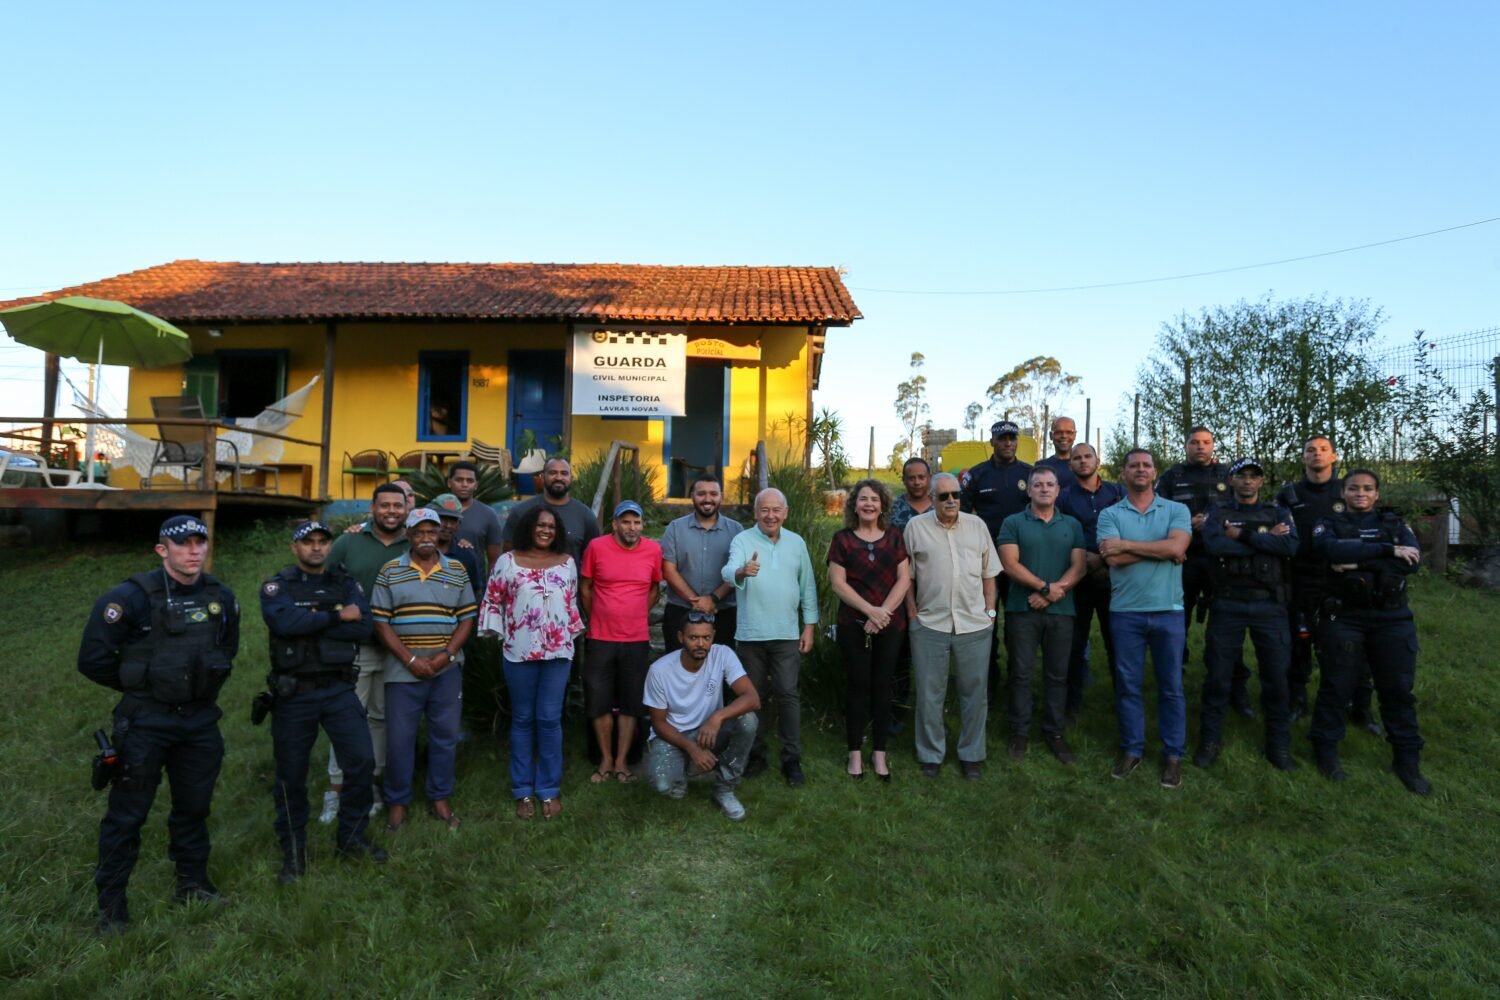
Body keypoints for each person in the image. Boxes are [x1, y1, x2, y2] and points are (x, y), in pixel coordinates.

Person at [78, 515, 241, 934]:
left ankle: (192, 884)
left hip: (200, 721)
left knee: (194, 807)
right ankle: (112, 909)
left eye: (200, 543)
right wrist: (144, 684)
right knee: (127, 815)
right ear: (162, 550)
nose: (194, 551)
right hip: (146, 722)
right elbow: (93, 660)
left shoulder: (220, 596)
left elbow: (228, 648)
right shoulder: (129, 598)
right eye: (184, 544)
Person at [259, 521, 386, 884]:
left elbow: (362, 627)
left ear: (330, 547)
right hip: (294, 693)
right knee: (291, 775)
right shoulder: (277, 586)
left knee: (361, 762)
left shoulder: (344, 583)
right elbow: (283, 622)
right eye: (308, 542)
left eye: (322, 542)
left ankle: (351, 837)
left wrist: (311, 619)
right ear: (294, 547)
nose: (316, 548)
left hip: (337, 689)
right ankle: (294, 851)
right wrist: (333, 615)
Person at [1308, 470, 1430, 794]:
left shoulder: (1395, 524)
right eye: (1353, 488)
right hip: (1344, 615)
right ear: (1343, 493)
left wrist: (1357, 561)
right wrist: (1387, 552)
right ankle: (1326, 751)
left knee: (1398, 690)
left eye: (1367, 489)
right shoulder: (1329, 524)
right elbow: (1331, 552)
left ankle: (1407, 760)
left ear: (1376, 494)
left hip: (1392, 617)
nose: (1360, 493)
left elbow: (1413, 563)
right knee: (1337, 686)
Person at [371, 508, 477, 832]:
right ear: (409, 535)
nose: (427, 537)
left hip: (446, 670)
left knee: (444, 737)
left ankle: (440, 798)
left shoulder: (456, 569)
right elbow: (381, 621)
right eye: (420, 532)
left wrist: (447, 654)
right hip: (403, 672)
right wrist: (410, 660)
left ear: (439, 534)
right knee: (400, 740)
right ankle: (398, 804)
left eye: (432, 531)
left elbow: (467, 617)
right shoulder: (390, 570)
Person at [478, 504, 585, 820]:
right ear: (528, 527)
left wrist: (571, 634)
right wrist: (502, 636)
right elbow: (493, 601)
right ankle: (523, 790)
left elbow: (570, 604)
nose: (546, 530)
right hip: (518, 654)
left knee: (550, 719)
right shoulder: (507, 562)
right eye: (540, 525)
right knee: (523, 719)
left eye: (552, 526)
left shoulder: (567, 563)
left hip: (558, 655)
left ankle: (548, 789)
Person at [1097, 449, 1192, 788]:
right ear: (1123, 473)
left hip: (1169, 610)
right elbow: (1112, 559)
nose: (1140, 470)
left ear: (1155, 473)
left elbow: (1177, 549)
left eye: (1146, 465)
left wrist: (1127, 545)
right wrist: (1161, 549)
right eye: (1134, 465)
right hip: (1126, 613)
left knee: (1171, 687)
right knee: (1128, 686)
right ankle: (1132, 749)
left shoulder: (1176, 509)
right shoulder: (1110, 513)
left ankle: (1172, 755)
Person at [1197, 459, 1300, 771]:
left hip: (1269, 605)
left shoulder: (1278, 512)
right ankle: (1210, 741)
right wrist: (1266, 540)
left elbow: (1291, 547)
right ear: (1232, 480)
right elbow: (1214, 545)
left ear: (1261, 482)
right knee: (1217, 677)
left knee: (1276, 678)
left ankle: (1278, 746)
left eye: (1253, 476)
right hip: (1228, 603)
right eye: (1241, 475)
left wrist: (1241, 536)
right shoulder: (1218, 512)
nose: (1247, 481)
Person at [1274, 435, 1378, 732]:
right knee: (1299, 643)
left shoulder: (1348, 491)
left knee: (1352, 645)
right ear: (1303, 457)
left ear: (1333, 456)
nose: (1316, 454)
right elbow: (1275, 529)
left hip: (1344, 578)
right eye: (1310, 450)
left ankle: (1360, 707)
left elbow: (1369, 527)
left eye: (1323, 450)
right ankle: (1296, 700)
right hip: (1300, 578)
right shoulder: (1289, 494)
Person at [322, 482, 410, 824]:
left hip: (398, 649)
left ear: (406, 510)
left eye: (397, 506)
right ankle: (337, 789)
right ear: (372, 508)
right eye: (384, 505)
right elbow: (324, 583)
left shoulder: (413, 544)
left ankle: (371, 784)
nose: (391, 511)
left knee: (382, 719)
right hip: (355, 647)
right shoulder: (349, 541)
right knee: (346, 718)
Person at [903, 473, 1000, 779]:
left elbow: (989, 573)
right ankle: (931, 754)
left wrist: (990, 611)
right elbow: (906, 576)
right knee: (930, 693)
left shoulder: (977, 526)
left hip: (974, 625)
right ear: (931, 499)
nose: (951, 501)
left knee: (974, 692)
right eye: (943, 496)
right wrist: (912, 613)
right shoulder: (915, 528)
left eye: (955, 495)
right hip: (930, 623)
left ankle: (971, 754)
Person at [722, 487, 819, 786]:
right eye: (764, 509)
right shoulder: (742, 540)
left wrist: (809, 626)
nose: (771, 515)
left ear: (785, 513)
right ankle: (756, 755)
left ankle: (791, 760)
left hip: (787, 635)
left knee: (788, 695)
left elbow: (808, 587)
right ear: (755, 513)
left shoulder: (797, 543)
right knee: (754, 698)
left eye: (776, 509)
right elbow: (727, 571)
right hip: (751, 635)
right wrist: (741, 571)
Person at [997, 466, 1086, 764]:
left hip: (1062, 611)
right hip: (1022, 610)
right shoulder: (1013, 522)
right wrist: (1044, 587)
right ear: (1029, 490)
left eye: (1050, 484)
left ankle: (1054, 732)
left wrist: (1053, 591)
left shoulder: (1072, 524)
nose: (1044, 489)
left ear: (1059, 490)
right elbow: (1009, 564)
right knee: (1020, 674)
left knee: (1057, 675)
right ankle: (1019, 731)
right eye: (1038, 485)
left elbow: (1079, 565)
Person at [827, 479, 910, 781]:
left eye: (874, 499)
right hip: (854, 623)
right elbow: (838, 583)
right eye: (863, 499)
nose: (869, 504)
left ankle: (879, 753)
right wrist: (870, 611)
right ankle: (854, 753)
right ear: (854, 505)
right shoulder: (843, 539)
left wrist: (883, 613)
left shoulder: (895, 538)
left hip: (891, 623)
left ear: (882, 505)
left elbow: (904, 580)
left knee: (882, 685)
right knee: (858, 684)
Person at [644, 614, 762, 821]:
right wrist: (692, 748)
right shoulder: (659, 670)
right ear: (681, 637)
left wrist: (717, 717)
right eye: (693, 638)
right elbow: (658, 722)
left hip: (709, 732)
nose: (701, 644)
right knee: (663, 786)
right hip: (673, 736)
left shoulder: (723, 654)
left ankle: (725, 789)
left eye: (706, 638)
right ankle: (683, 772)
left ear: (713, 636)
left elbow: (752, 698)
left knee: (748, 720)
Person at [580, 500, 663, 783]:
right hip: (600, 637)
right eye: (625, 522)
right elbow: (586, 587)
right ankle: (604, 759)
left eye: (636, 522)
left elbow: (654, 588)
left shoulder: (653, 549)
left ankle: (621, 761)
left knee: (632, 702)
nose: (632, 527)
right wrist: (599, 617)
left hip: (636, 638)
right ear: (614, 524)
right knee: (598, 701)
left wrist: (638, 613)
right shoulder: (597, 547)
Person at [1155, 428, 1236, 690]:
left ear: (1213, 446)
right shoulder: (1172, 476)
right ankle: (1174, 670)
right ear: (1186, 445)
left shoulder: (1228, 475)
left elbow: (1244, 510)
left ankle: (1228, 675)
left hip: (1219, 558)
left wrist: (1214, 522)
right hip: (1182, 559)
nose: (1200, 447)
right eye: (1194, 442)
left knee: (1225, 620)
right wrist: (1184, 524)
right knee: (1178, 617)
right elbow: (1156, 512)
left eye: (1206, 442)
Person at [961, 419, 1034, 703]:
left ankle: (1018, 687)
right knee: (985, 623)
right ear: (991, 442)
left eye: (1012, 439)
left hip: (1020, 562)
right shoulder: (976, 475)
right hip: (985, 563)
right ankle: (987, 686)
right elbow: (963, 516)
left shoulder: (1029, 473)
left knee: (1018, 627)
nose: (1007, 443)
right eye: (1002, 438)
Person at [1056, 442, 1126, 723]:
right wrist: (1088, 561)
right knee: (1075, 643)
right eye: (1077, 458)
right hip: (1079, 579)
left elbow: (1130, 528)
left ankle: (1124, 701)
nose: (1083, 461)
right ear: (1070, 464)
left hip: (1115, 578)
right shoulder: (1063, 498)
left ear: (1098, 460)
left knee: (1118, 643)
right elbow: (1060, 535)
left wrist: (1104, 559)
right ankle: (1071, 703)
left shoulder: (1118, 493)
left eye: (1088, 456)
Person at [660, 474, 743, 652]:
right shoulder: (675, 528)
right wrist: (697, 602)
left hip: (723, 612)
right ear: (692, 496)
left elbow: (738, 571)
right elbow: (669, 570)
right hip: (680, 610)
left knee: (720, 669)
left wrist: (713, 599)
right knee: (678, 668)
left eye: (713, 494)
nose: (707, 499)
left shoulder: (736, 530)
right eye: (701, 493)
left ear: (721, 496)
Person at [501, 457, 601, 565]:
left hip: (570, 580)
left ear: (571, 478)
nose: (559, 477)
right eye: (553, 473)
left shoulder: (585, 516)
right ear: (543, 477)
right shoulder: (521, 511)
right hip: (525, 580)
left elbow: (592, 559)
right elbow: (508, 553)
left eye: (564, 473)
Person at [446, 461, 503, 571]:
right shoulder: (433, 511)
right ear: (449, 482)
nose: (464, 484)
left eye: (470, 481)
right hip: (436, 580)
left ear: (476, 485)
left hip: (475, 583)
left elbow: (494, 561)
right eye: (459, 480)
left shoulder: (488, 515)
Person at [430, 491, 485, 596]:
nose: (448, 525)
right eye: (443, 519)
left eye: (453, 520)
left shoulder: (467, 556)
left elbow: (475, 593)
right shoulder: (418, 552)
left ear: (459, 524)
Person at [889, 457, 934, 529]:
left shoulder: (939, 505)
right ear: (904, 480)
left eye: (921, 477)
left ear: (930, 478)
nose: (917, 482)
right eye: (911, 478)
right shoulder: (892, 507)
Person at [1036, 417, 1079, 490]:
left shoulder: (1082, 465)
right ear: (1050, 435)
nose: (1064, 436)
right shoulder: (1041, 466)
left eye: (1069, 432)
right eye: (1058, 432)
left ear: (1075, 435)